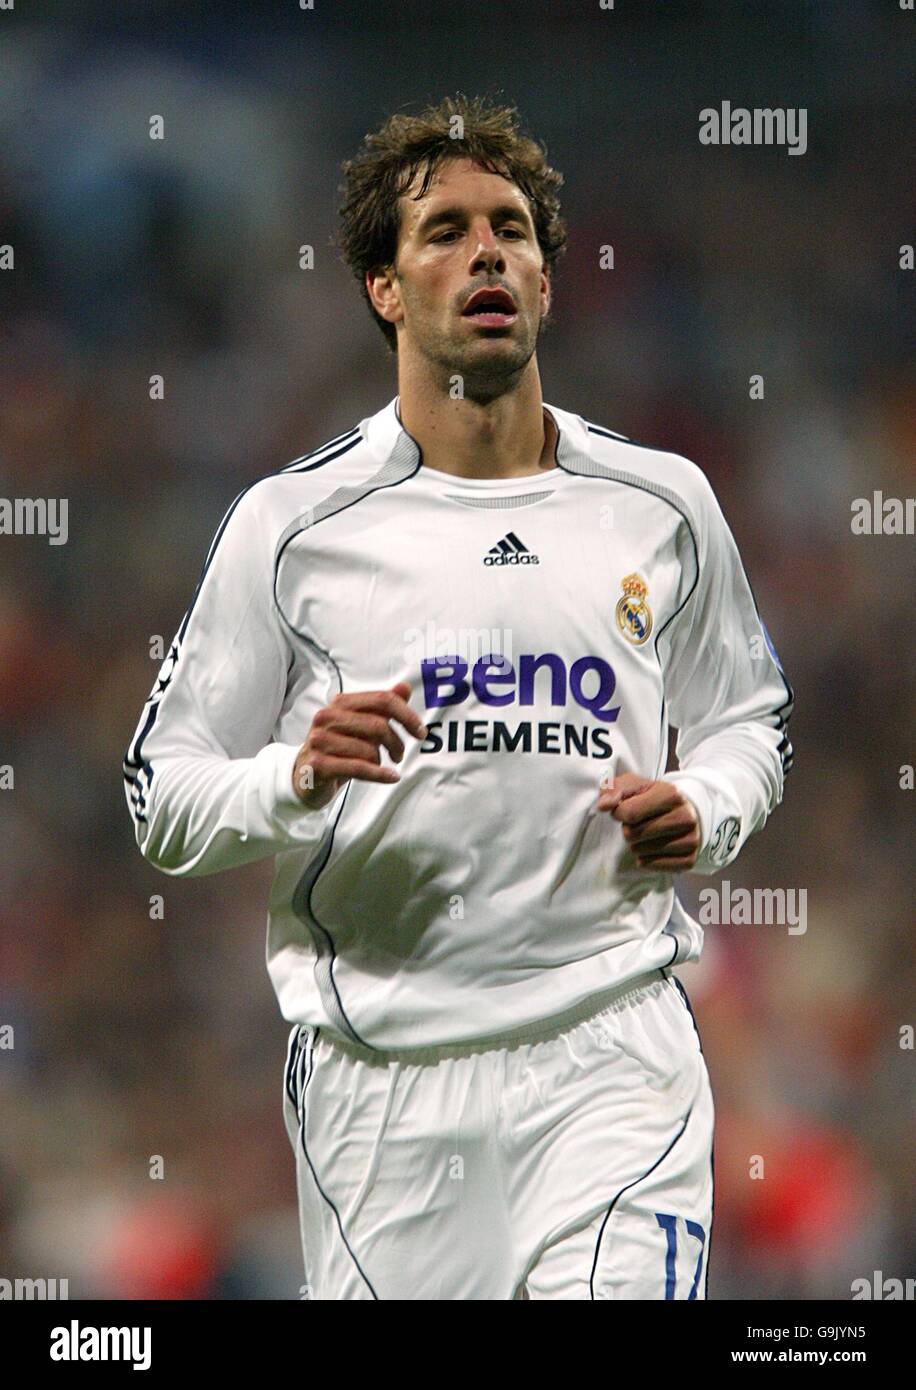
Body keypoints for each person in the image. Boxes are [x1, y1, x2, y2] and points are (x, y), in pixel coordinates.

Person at [123, 94, 794, 1300]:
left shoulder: (662, 503)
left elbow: (749, 718)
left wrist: (707, 804)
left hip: (612, 1053)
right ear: (382, 286)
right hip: (383, 1085)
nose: (487, 250)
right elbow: (159, 798)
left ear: (544, 279)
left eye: (513, 229)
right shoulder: (292, 528)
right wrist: (295, 776)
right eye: (443, 230)